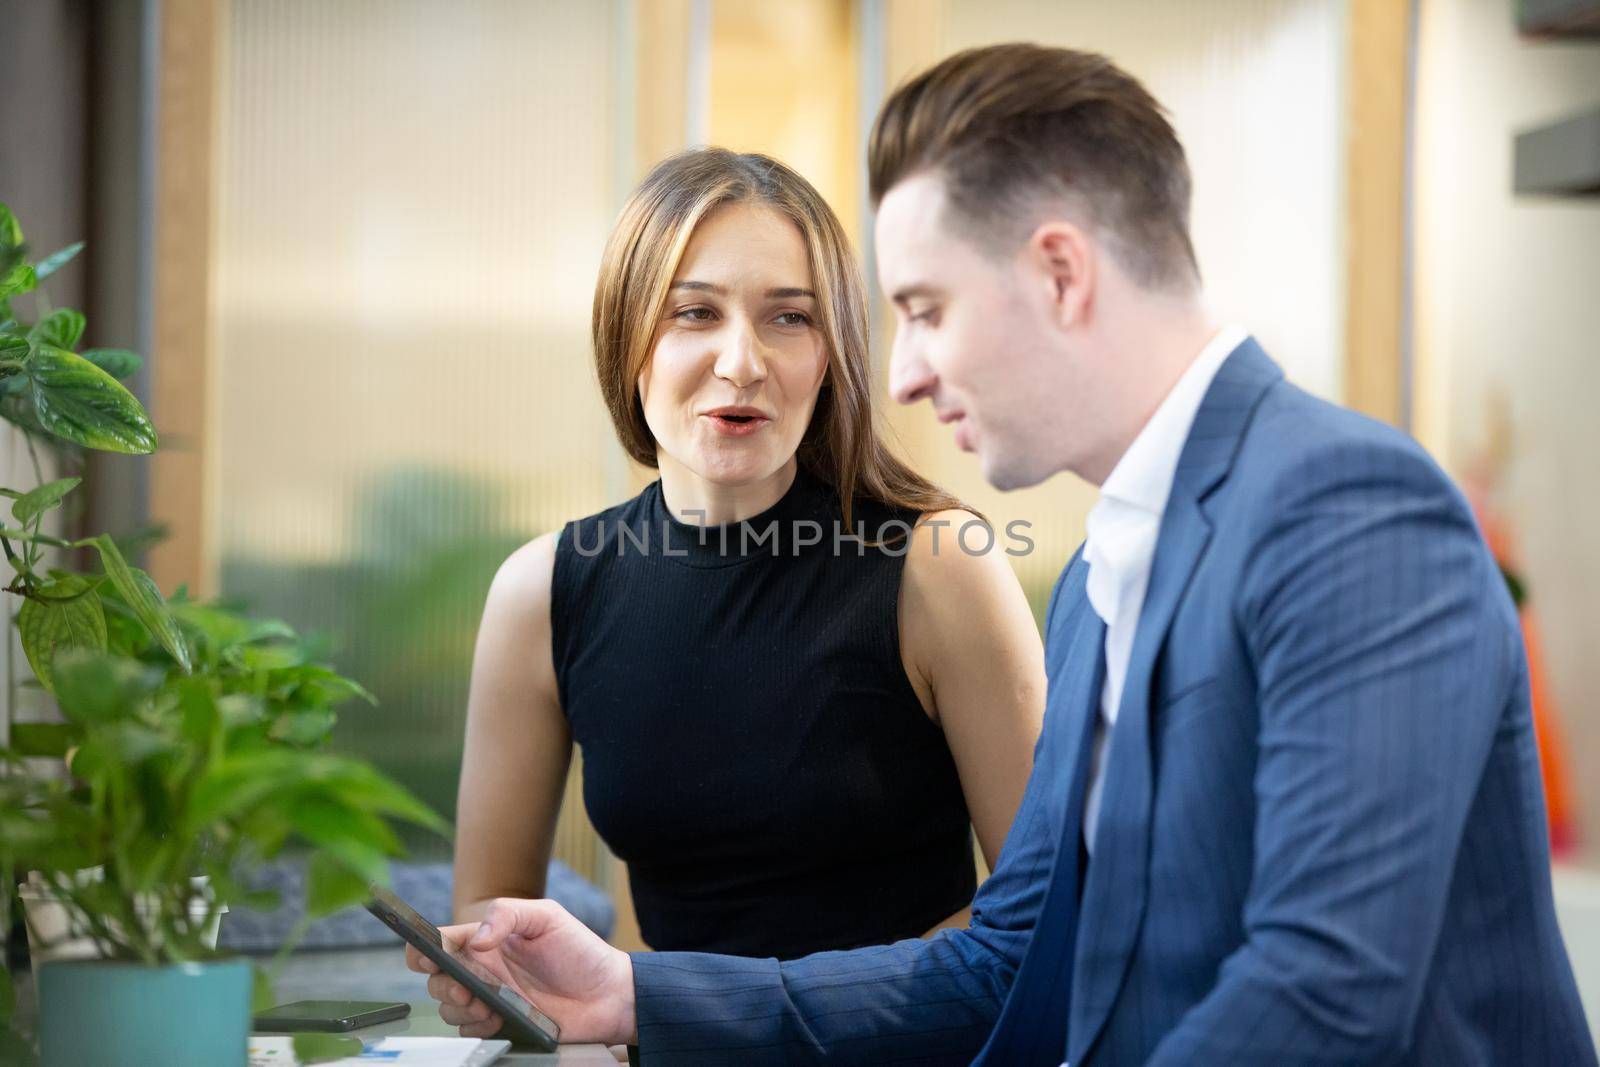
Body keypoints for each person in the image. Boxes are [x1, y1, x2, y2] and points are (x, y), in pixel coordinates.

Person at [412, 44, 1595, 1065]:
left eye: (923, 306)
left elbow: (1327, 991)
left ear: (1060, 272)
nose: (907, 371)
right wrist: (634, 992)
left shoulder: (1346, 506)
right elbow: (1009, 959)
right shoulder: (1096, 578)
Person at [448, 147, 1047, 963]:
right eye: (694, 313)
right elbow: (492, 919)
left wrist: (700, 1019)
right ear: (628, 336)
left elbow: (1041, 917)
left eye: (789, 317)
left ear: (830, 354)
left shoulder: (939, 565)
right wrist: (551, 1013)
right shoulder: (545, 589)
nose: (742, 363)